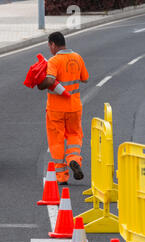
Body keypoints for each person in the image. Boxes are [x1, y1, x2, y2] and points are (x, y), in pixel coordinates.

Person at [38, 32, 89, 185]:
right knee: (74, 136)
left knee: (56, 141)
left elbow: (50, 80)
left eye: (50, 46)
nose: (50, 49)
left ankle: (62, 176)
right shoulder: (77, 57)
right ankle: (74, 159)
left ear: (53, 44)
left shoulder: (54, 61)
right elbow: (85, 78)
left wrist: (41, 84)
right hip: (74, 107)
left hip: (56, 109)